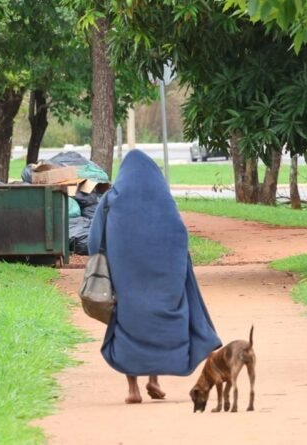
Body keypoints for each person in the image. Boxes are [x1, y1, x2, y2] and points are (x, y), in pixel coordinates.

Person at [88, 149, 221, 403]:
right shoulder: (164, 200)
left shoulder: (110, 201)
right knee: (156, 323)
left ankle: (133, 389)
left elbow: (95, 241)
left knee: (129, 325)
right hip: (163, 277)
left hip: (125, 279)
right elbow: (180, 236)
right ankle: (154, 380)